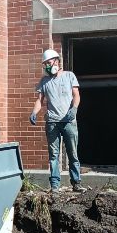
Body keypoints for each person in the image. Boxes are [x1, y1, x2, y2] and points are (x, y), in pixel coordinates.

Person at [29, 48, 84, 192]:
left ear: (57, 61)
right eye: (45, 64)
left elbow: (76, 95)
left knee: (72, 153)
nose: (47, 66)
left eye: (49, 62)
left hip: (68, 122)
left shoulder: (69, 76)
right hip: (52, 123)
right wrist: (34, 112)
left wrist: (74, 109)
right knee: (53, 155)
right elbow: (40, 100)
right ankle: (54, 185)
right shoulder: (44, 81)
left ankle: (76, 183)